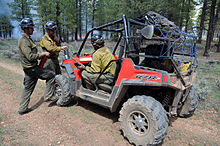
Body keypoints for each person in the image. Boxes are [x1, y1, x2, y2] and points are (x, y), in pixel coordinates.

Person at [18, 18, 56, 115]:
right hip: (32, 68)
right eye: (31, 28)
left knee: (28, 88)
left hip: (29, 69)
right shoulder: (24, 41)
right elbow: (30, 57)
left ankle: (22, 109)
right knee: (51, 75)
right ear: (26, 28)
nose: (33, 30)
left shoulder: (27, 39)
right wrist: (42, 55)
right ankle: (48, 96)